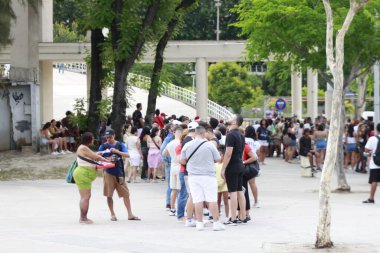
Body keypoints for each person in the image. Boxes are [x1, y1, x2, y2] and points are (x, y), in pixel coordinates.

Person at [180, 126, 225, 231]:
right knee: (212, 199)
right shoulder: (210, 145)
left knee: (197, 200)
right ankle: (216, 223)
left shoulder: (187, 145)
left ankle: (199, 223)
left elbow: (182, 160)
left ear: (195, 134)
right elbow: (218, 159)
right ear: (204, 134)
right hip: (208, 176)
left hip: (193, 176)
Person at [99, 129, 140, 221]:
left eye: (110, 137)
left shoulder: (120, 145)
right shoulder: (103, 146)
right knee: (109, 195)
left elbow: (127, 155)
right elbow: (97, 155)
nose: (108, 139)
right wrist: (104, 154)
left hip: (119, 172)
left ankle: (130, 214)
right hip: (108, 172)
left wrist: (117, 152)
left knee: (126, 194)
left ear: (114, 136)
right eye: (107, 137)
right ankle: (112, 214)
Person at [73, 132, 109, 224]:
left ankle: (83, 217)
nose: (93, 140)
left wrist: (98, 154)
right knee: (85, 197)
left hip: (83, 173)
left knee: (85, 197)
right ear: (89, 140)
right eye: (92, 138)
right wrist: (106, 160)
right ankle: (83, 218)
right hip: (83, 173)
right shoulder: (83, 147)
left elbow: (91, 156)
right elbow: (96, 157)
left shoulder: (83, 147)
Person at [221, 115, 247, 225]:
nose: (229, 118)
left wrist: (223, 168)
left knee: (233, 192)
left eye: (232, 117)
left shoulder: (230, 135)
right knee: (240, 191)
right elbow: (241, 152)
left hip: (232, 166)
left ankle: (233, 218)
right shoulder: (241, 134)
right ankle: (243, 216)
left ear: (235, 122)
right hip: (240, 165)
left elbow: (228, 152)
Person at [163, 126, 183, 216]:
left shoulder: (170, 143)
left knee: (173, 189)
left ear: (174, 133)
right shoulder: (182, 143)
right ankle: (181, 209)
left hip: (172, 166)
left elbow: (164, 153)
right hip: (180, 166)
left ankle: (172, 209)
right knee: (181, 189)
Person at [363, 123, 380, 204]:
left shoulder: (372, 138)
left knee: (374, 181)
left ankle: (371, 198)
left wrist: (371, 154)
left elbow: (366, 150)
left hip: (375, 163)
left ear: (377, 130)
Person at [160, 123, 174, 210]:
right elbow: (162, 149)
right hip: (170, 163)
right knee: (171, 184)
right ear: (169, 129)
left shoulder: (169, 138)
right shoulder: (169, 138)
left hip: (170, 163)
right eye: (173, 127)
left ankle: (169, 203)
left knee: (170, 184)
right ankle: (169, 203)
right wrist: (167, 160)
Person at [216, 146, 229, 219]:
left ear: (223, 155)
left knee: (226, 201)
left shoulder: (225, 165)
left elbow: (226, 175)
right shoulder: (214, 164)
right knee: (217, 201)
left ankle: (227, 216)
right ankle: (217, 214)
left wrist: (223, 183)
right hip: (217, 185)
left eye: (220, 155)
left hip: (224, 185)